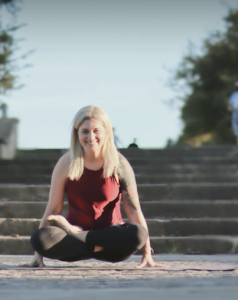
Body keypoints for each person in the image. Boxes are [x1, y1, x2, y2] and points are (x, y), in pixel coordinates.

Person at [21, 106, 163, 268]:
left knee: (138, 234)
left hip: (111, 239)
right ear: (77, 134)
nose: (91, 136)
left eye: (96, 131)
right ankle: (86, 240)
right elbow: (53, 207)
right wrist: (38, 255)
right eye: (85, 131)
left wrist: (147, 254)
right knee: (41, 238)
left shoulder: (119, 163)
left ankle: (82, 236)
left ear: (106, 132)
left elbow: (133, 210)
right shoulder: (66, 163)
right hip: (77, 240)